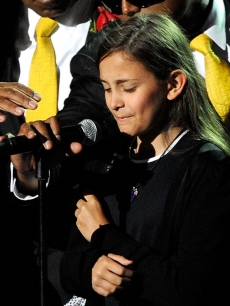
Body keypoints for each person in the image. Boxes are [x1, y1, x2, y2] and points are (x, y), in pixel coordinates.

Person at [56, 13, 230, 305]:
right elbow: (68, 264)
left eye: (128, 88)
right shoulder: (108, 159)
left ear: (173, 84)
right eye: (107, 88)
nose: (114, 102)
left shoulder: (209, 169)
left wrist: (105, 235)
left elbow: (188, 289)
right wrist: (91, 272)